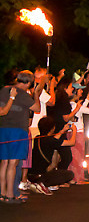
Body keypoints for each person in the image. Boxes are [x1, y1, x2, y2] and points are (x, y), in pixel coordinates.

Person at [1, 71, 43, 203]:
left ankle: (2, 192)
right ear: (28, 83)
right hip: (18, 131)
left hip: (3, 129)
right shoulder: (23, 94)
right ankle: (10, 195)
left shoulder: (3, 90)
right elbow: (37, 108)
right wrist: (36, 94)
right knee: (13, 163)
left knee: (4, 162)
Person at [28, 116, 75, 189]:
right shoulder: (50, 141)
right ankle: (45, 183)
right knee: (69, 174)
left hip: (31, 175)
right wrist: (74, 130)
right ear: (53, 128)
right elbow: (72, 143)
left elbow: (54, 139)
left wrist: (62, 130)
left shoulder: (38, 138)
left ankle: (40, 183)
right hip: (42, 176)